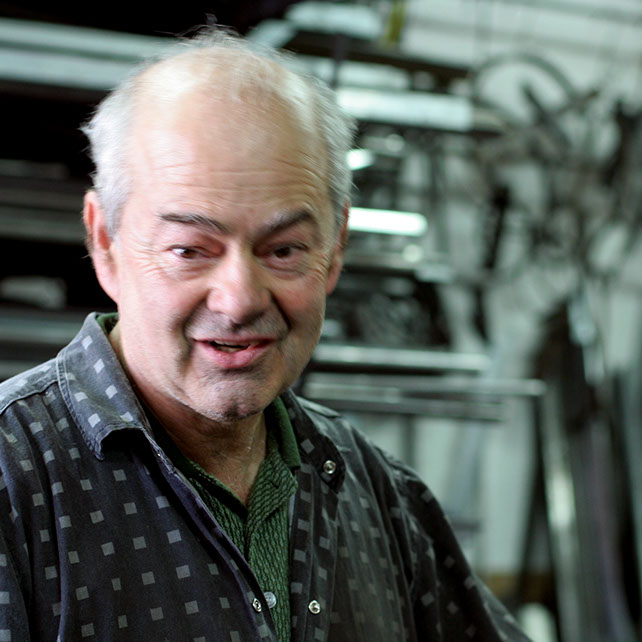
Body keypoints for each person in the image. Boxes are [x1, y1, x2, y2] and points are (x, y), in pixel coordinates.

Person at [0, 30, 530, 641]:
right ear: (105, 244)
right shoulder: (13, 479)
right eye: (190, 250)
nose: (240, 300)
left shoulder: (376, 492)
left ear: (334, 251)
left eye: (283, 250)